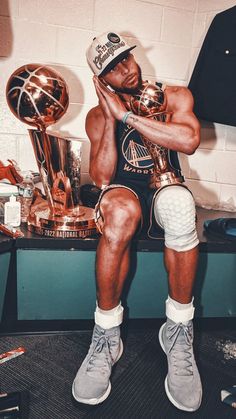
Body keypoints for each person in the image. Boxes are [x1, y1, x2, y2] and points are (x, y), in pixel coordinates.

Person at [72, 31, 202, 412]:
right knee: (118, 213)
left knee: (180, 206)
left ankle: (178, 331)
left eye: (126, 59)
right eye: (113, 69)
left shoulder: (175, 96)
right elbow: (100, 177)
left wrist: (128, 114)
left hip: (164, 185)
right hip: (124, 191)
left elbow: (189, 140)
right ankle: (107, 335)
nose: (126, 71)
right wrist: (112, 119)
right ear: (102, 80)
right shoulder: (98, 116)